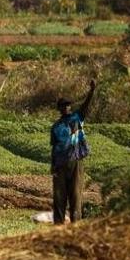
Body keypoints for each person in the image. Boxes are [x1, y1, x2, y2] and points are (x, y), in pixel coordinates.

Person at [50, 80, 96, 225]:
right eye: (63, 106)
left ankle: (75, 225)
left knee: (75, 195)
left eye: (68, 105)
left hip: (76, 162)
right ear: (59, 109)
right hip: (60, 164)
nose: (66, 108)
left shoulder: (77, 118)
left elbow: (86, 105)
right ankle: (59, 225)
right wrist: (53, 166)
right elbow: (54, 147)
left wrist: (92, 91)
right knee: (59, 197)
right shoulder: (56, 127)